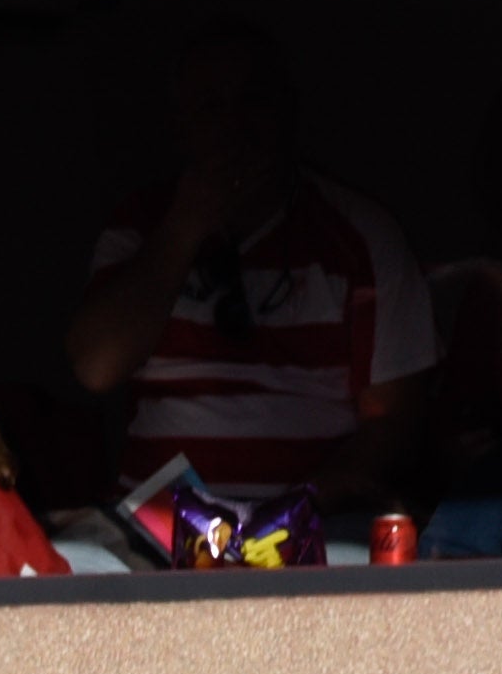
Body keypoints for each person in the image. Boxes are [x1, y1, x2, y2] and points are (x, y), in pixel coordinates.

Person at [65, 29, 441, 508]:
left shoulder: (361, 233)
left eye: (253, 102)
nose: (235, 127)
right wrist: (185, 227)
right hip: (159, 529)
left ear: (289, 112)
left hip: (311, 527)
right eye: (211, 107)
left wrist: (302, 507)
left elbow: (395, 420)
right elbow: (96, 367)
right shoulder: (141, 226)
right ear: (181, 126)